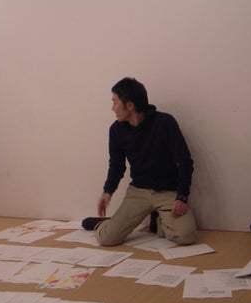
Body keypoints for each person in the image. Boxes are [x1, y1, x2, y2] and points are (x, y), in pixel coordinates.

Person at [82, 77, 197, 246]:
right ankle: (107, 224)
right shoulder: (116, 130)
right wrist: (107, 192)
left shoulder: (165, 123)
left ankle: (158, 222)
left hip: (167, 191)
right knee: (106, 239)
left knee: (186, 236)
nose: (112, 108)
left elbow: (184, 161)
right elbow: (117, 166)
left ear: (130, 105)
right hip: (138, 191)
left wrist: (181, 196)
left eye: (115, 102)